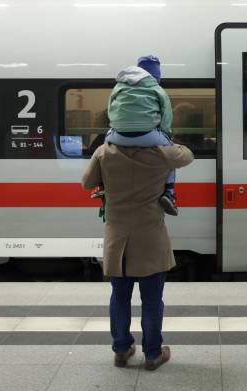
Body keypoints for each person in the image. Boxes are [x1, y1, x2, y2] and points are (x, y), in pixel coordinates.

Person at [81, 141, 194, 370]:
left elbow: (86, 183)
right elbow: (188, 155)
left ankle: (121, 351)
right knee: (152, 300)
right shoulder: (162, 152)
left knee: (119, 297)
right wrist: (164, 139)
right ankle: (153, 355)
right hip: (151, 239)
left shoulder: (104, 152)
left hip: (118, 240)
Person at [95, 55, 178, 216]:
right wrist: (165, 136)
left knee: (103, 150)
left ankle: (102, 185)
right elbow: (166, 118)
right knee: (171, 154)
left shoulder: (119, 87)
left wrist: (116, 128)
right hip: (148, 135)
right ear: (156, 74)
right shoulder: (157, 89)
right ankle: (169, 192)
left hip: (118, 135)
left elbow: (111, 110)